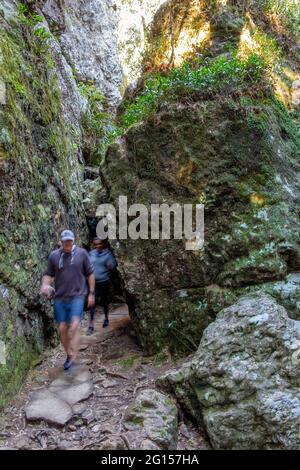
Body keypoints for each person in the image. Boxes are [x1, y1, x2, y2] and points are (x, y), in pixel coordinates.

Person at [40, 230, 95, 370]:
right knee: (63, 328)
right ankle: (69, 354)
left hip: (77, 295)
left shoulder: (82, 254)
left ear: (73, 240)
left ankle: (74, 355)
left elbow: (90, 274)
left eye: (70, 241)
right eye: (65, 241)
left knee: (75, 325)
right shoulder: (54, 256)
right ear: (61, 241)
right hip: (60, 297)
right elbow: (48, 274)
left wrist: (91, 294)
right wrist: (45, 285)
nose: (68, 243)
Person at [87, 238, 117, 335]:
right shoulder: (91, 253)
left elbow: (113, 266)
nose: (97, 246)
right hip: (93, 283)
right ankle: (91, 325)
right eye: (95, 244)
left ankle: (106, 318)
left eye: (99, 244)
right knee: (92, 302)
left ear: (103, 244)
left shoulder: (108, 255)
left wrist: (110, 266)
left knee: (104, 301)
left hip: (104, 282)